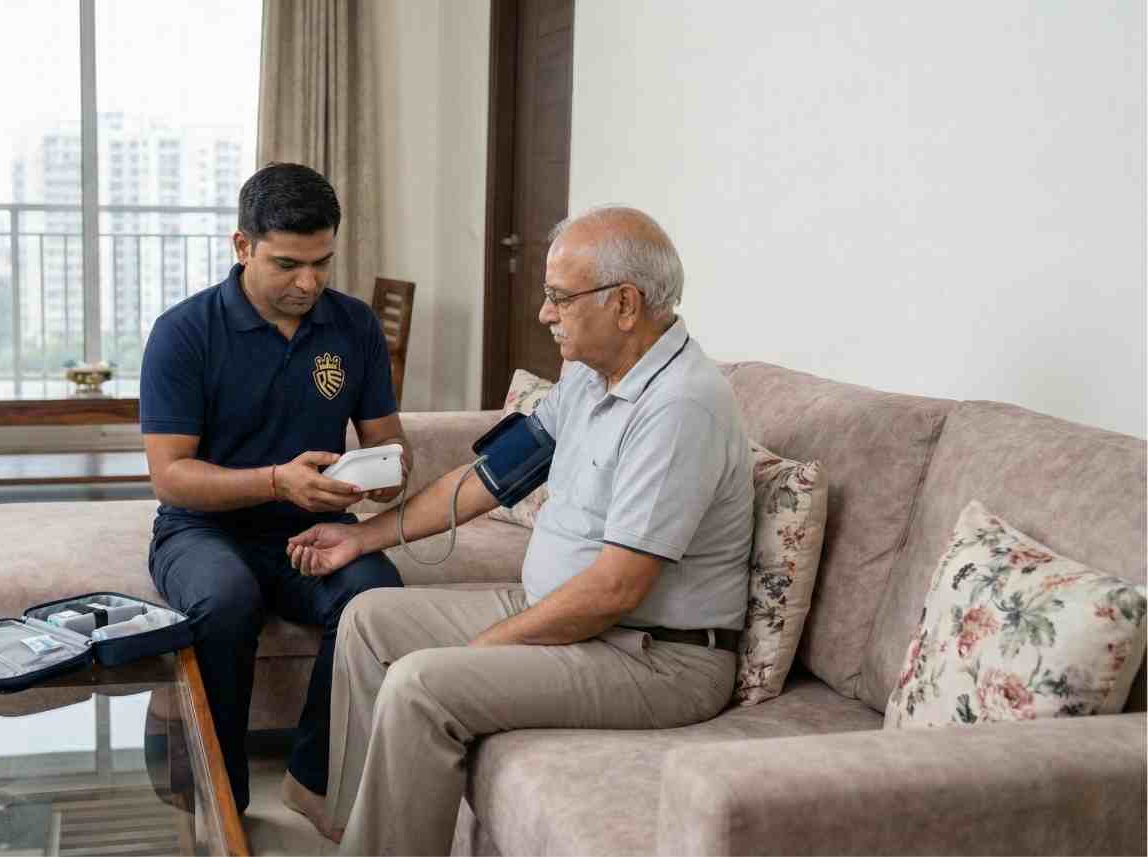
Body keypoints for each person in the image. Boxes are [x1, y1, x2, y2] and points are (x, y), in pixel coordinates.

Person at [286, 206, 755, 854]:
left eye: (560, 296)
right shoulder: (591, 378)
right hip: (570, 616)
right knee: (367, 619)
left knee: (424, 682)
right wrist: (360, 537)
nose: (544, 312)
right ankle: (353, 834)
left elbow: (614, 591)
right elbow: (487, 478)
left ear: (625, 303)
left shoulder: (678, 407)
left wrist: (484, 648)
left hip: (655, 655)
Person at [140, 162, 409, 820]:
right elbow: (170, 473)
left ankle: (315, 780)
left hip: (314, 529)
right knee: (226, 598)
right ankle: (220, 800)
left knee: (375, 593)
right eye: (289, 263)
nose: (309, 282)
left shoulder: (353, 327)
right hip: (201, 527)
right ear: (243, 246)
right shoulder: (184, 332)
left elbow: (392, 449)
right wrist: (274, 480)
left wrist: (377, 482)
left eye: (322, 262)